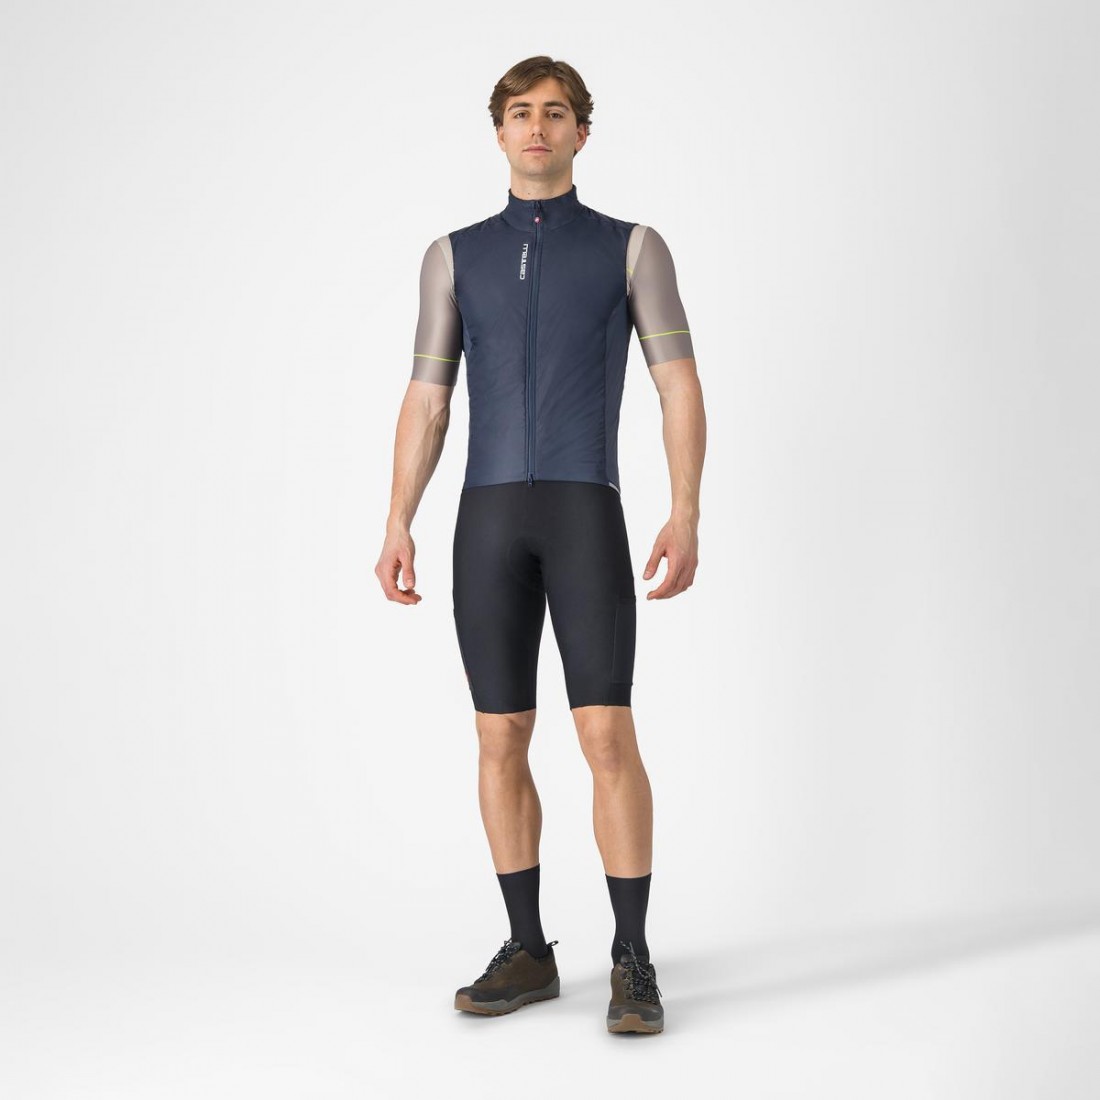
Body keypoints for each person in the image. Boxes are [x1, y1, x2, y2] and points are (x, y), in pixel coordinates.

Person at [375, 55, 706, 1035]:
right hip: (486, 520)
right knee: (498, 735)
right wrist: (396, 518)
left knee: (605, 733)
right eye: (519, 113)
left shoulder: (631, 248)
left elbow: (677, 383)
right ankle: (527, 948)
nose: (536, 128)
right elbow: (428, 398)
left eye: (555, 113)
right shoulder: (452, 256)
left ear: (580, 133)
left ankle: (631, 956)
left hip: (582, 510)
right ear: (498, 132)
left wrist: (685, 510)